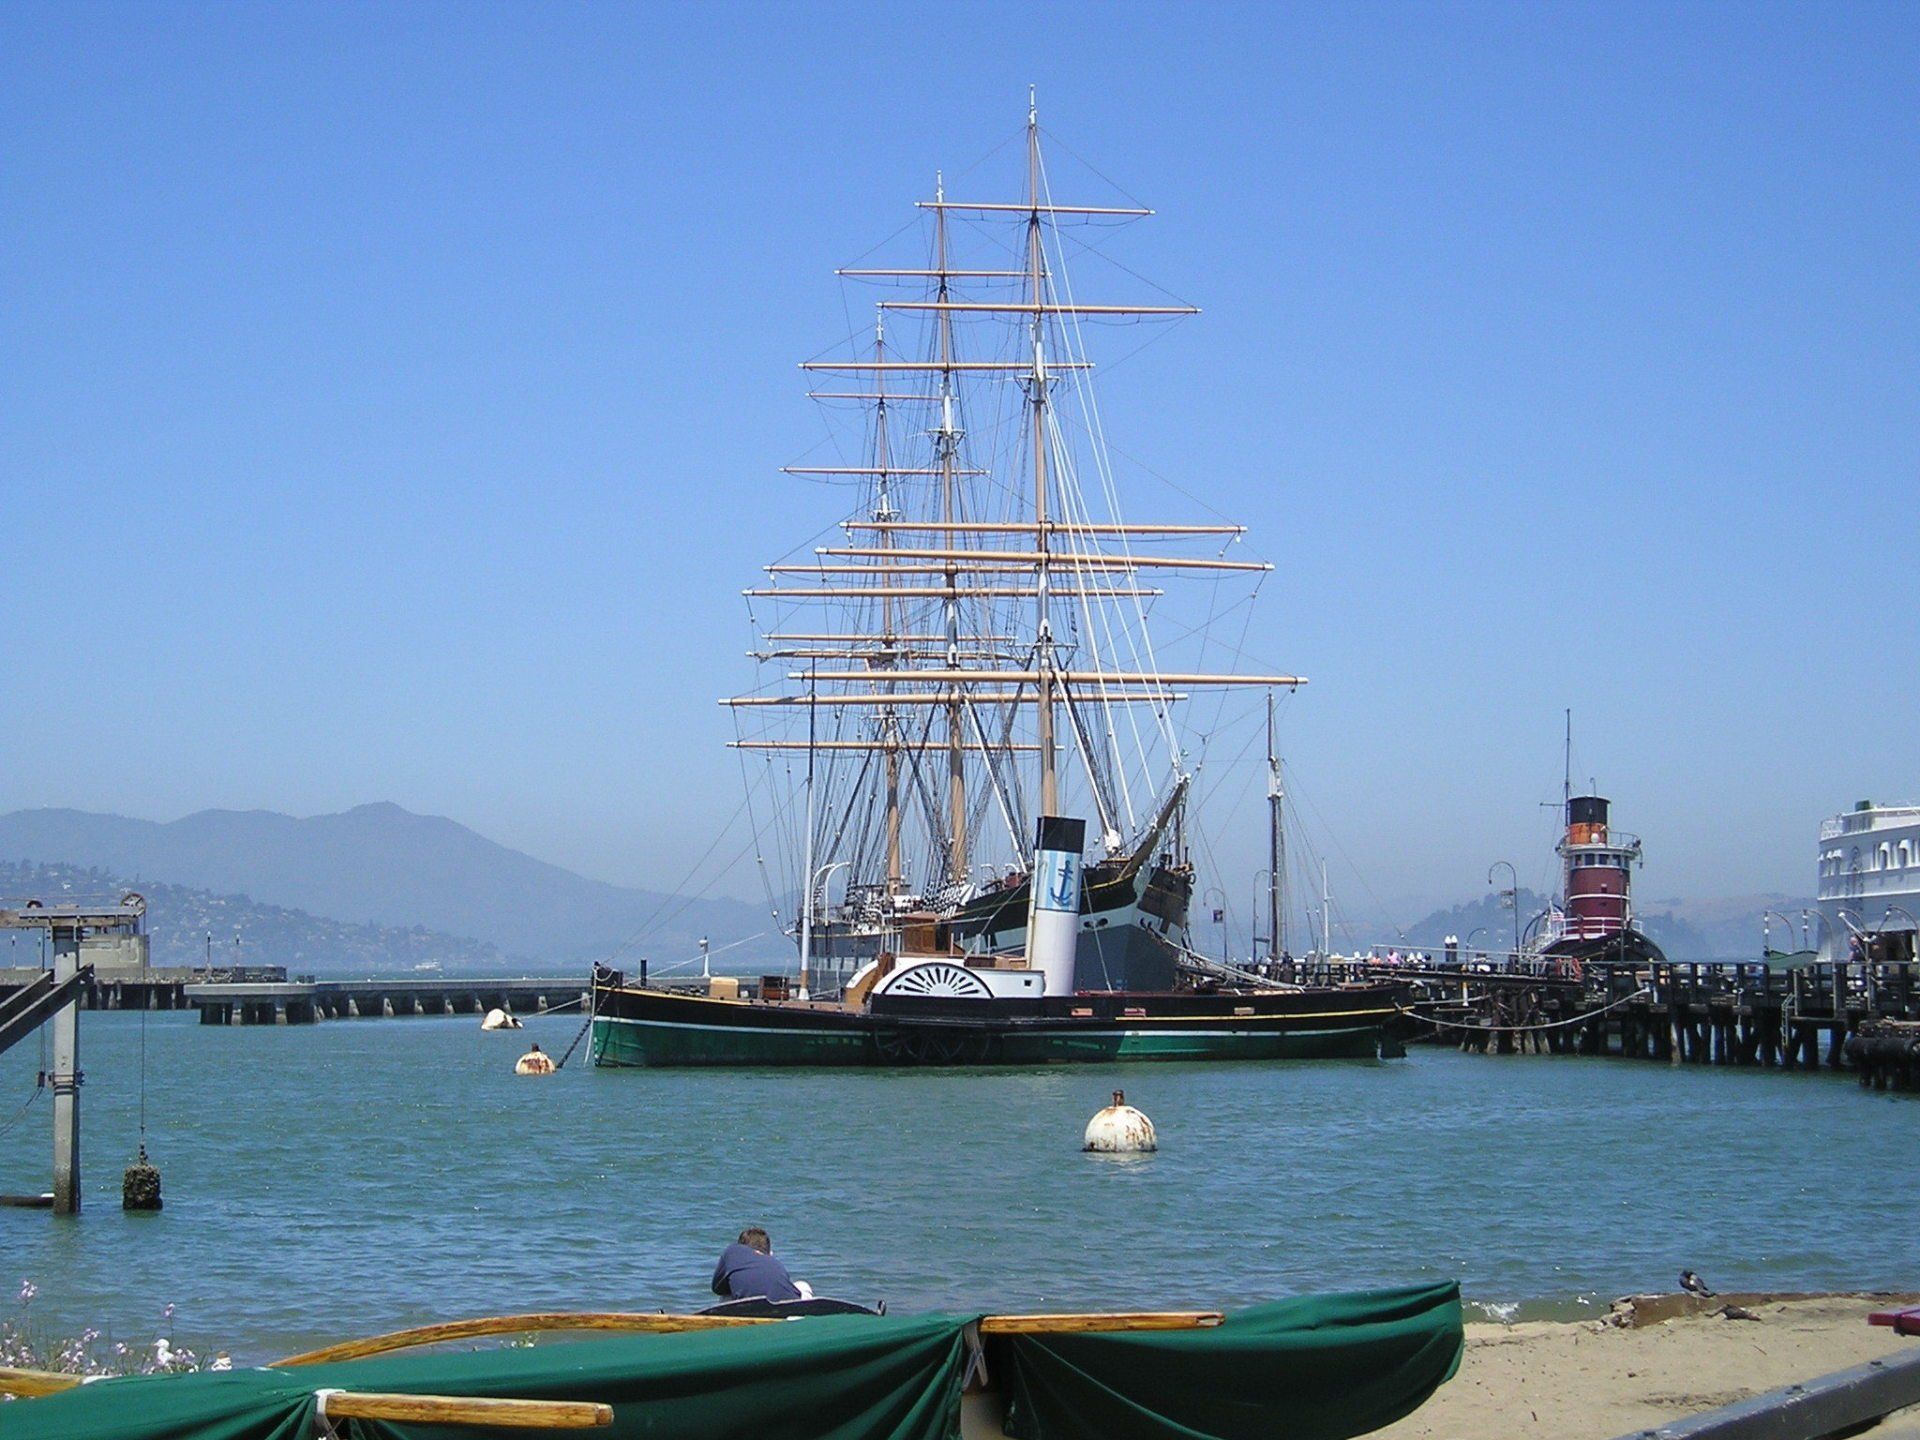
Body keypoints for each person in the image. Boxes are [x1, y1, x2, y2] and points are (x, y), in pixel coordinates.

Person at [711, 1226, 801, 1303]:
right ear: (770, 1253)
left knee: (726, 1296)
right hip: (788, 1306)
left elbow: (717, 1289)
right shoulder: (775, 1262)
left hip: (750, 1308)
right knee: (802, 1285)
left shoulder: (732, 1251)